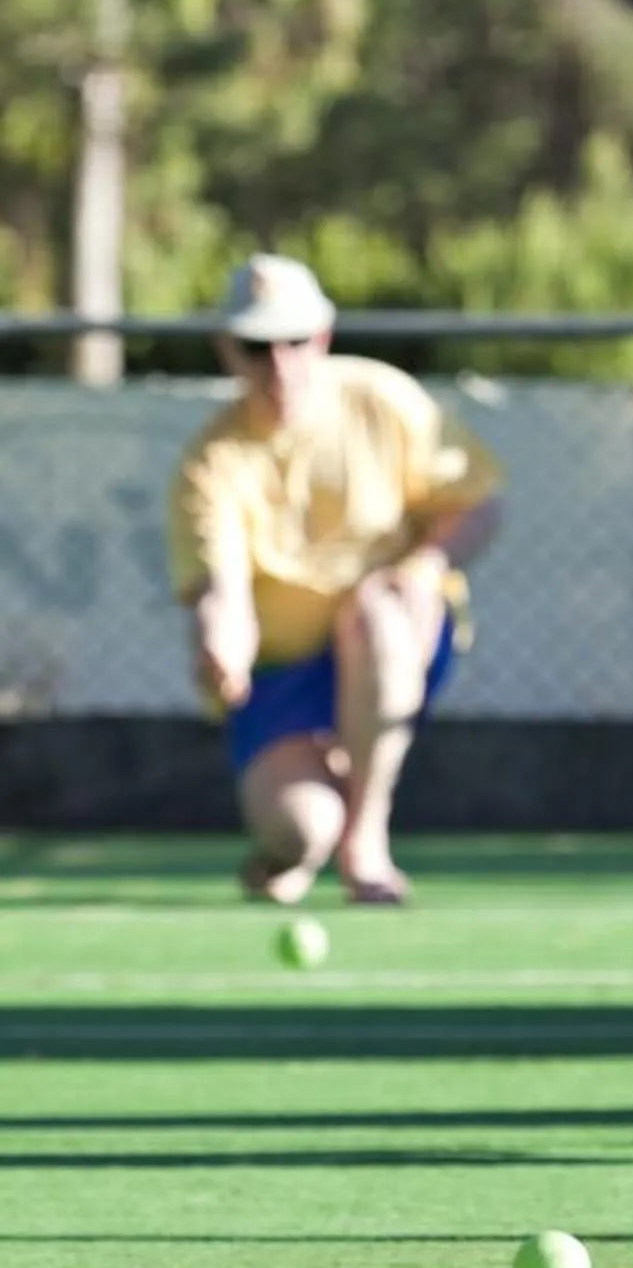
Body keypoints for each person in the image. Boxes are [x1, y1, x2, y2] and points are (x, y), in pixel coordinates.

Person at [167, 254, 504, 907]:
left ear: (322, 337)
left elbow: (480, 503)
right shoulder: (210, 461)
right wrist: (222, 648)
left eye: (296, 341)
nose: (280, 364)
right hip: (283, 675)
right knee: (299, 830)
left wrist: (428, 564)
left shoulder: (381, 399)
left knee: (377, 609)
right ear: (228, 350)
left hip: (394, 639)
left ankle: (366, 842)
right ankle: (288, 853)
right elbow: (222, 590)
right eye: (257, 347)